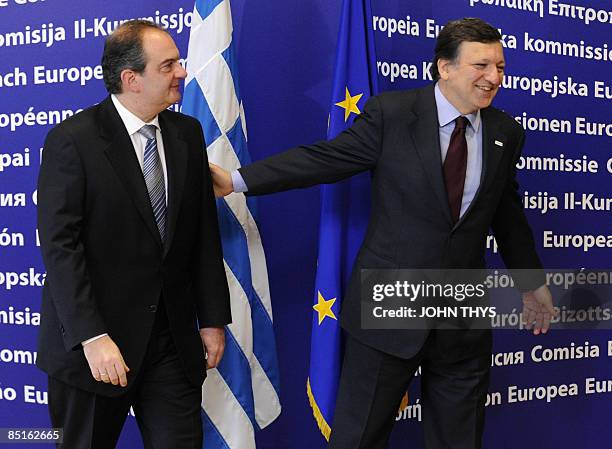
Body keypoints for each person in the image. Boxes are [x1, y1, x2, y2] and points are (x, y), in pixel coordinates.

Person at [210, 17, 556, 449]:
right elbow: (324, 159)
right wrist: (238, 180)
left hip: (462, 315)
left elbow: (507, 216)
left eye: (500, 67)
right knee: (359, 439)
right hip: (391, 306)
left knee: (460, 440)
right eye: (481, 65)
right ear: (444, 68)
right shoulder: (392, 114)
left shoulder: (505, 132)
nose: (493, 78)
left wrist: (531, 283)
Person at [36, 20, 231, 449]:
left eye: (178, 62)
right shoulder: (73, 141)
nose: (181, 72)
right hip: (95, 345)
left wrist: (213, 318)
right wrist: (92, 336)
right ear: (131, 79)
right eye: (168, 66)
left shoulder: (187, 134)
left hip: (171, 344)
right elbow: (60, 247)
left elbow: (201, 233)